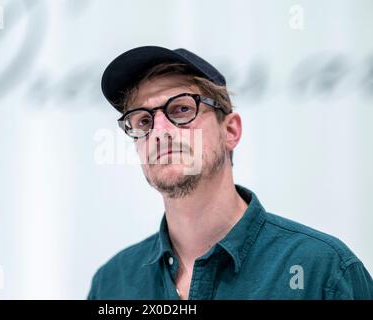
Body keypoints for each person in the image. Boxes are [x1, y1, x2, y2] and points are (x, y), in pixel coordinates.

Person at [87, 46, 373, 299]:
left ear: (230, 131)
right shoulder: (113, 282)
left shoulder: (322, 271)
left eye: (182, 108)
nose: (159, 132)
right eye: (143, 120)